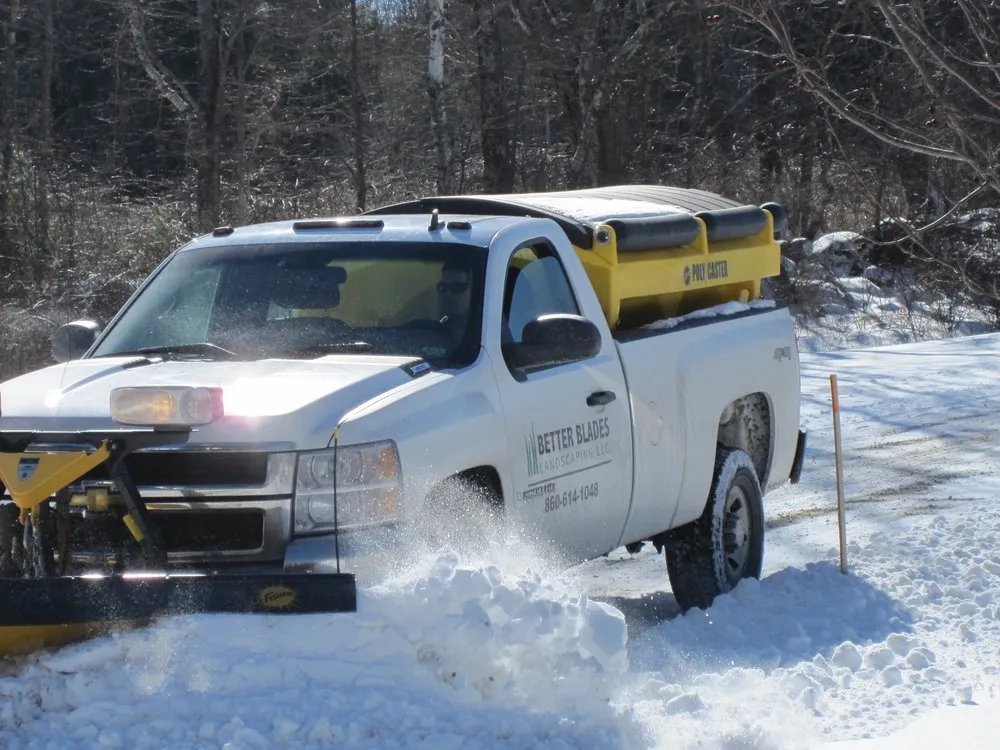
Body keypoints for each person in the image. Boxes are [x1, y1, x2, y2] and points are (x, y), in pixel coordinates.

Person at [436, 258, 473, 343]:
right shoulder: (439, 328)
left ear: (474, 289)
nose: (448, 294)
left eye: (458, 287)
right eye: (443, 287)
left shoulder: (490, 329)